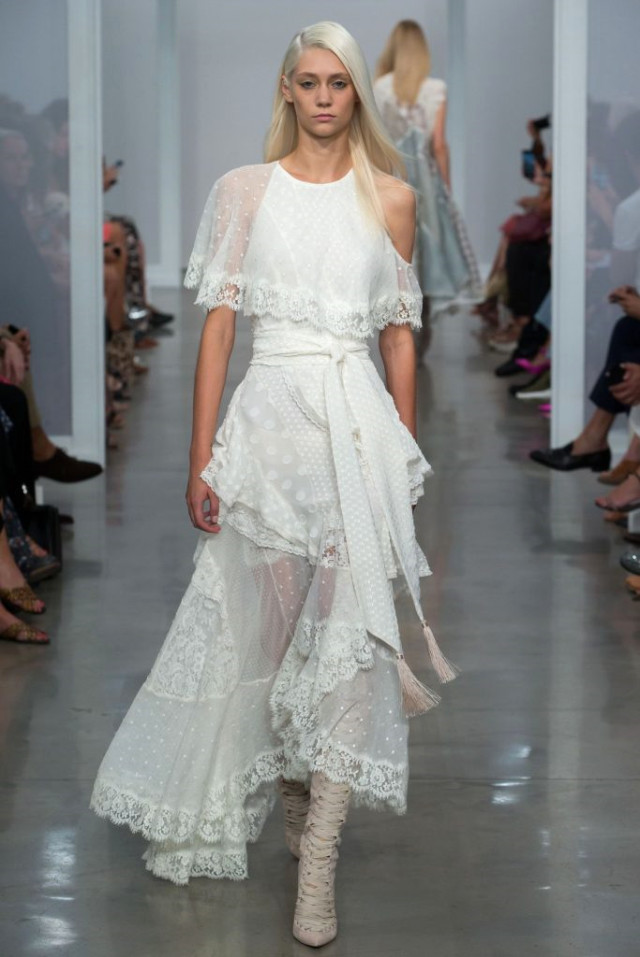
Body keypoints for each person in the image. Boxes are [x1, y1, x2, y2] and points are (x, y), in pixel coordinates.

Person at [90, 21, 456, 948]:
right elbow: (218, 329)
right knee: (277, 638)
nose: (325, 96)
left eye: (339, 82)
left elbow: (399, 335)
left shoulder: (394, 199)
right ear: (287, 90)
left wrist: (403, 455)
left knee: (351, 643)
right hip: (268, 437)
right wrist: (199, 456)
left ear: (356, 93)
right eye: (309, 81)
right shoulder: (243, 192)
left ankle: (319, 857)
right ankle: (295, 793)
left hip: (355, 432)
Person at [373, 19, 480, 350]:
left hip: (393, 174)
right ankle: (423, 323)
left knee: (396, 247)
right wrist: (445, 187)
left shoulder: (380, 87)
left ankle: (399, 322)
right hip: (427, 183)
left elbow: (377, 140)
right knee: (431, 248)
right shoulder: (434, 89)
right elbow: (439, 145)